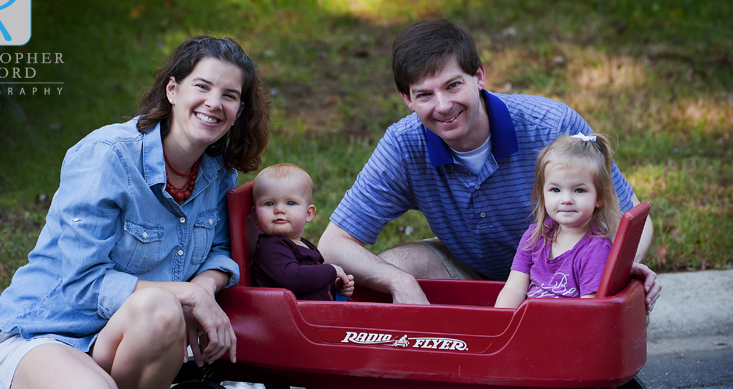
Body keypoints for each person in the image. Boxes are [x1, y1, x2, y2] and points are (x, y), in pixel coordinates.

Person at [0, 36, 270, 389]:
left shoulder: (216, 170)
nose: (214, 104)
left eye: (230, 95)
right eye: (203, 86)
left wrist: (205, 287)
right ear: (172, 89)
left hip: (126, 333)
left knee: (161, 309)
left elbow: (220, 250)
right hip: (44, 331)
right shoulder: (108, 155)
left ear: (241, 108)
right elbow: (81, 281)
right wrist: (190, 296)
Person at [317, 19, 661, 312]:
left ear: (478, 76)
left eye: (453, 85)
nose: (443, 106)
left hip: (563, 273)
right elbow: (332, 245)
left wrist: (621, 270)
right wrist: (399, 282)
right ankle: (434, 376)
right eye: (424, 95)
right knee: (388, 271)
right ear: (407, 99)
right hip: (470, 270)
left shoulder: (549, 125)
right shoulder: (403, 145)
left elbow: (632, 218)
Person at [494, 133, 619, 309]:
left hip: (567, 329)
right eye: (555, 189)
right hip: (528, 325)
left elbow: (589, 310)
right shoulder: (535, 235)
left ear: (600, 197)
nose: (566, 199)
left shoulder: (595, 250)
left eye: (579, 190)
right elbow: (514, 288)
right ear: (542, 195)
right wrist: (501, 321)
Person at [251, 163, 355, 300]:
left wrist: (334, 285)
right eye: (269, 203)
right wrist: (331, 271)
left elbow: (308, 281)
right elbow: (293, 278)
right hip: (289, 319)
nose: (279, 210)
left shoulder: (302, 244)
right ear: (255, 215)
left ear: (308, 213)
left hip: (312, 315)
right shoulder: (271, 248)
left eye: (290, 203)